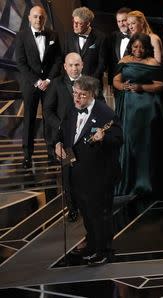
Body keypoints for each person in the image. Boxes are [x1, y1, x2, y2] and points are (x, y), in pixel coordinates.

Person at [55, 76, 123, 266]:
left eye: (82, 95)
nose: (76, 98)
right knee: (87, 213)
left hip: (98, 175)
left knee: (100, 215)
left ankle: (105, 251)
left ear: (92, 95)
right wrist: (58, 144)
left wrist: (104, 139)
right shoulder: (71, 109)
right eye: (75, 93)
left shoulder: (105, 113)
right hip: (75, 172)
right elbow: (62, 134)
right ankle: (93, 246)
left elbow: (119, 140)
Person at [113, 33, 163, 198]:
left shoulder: (153, 63)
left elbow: (161, 85)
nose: (138, 50)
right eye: (135, 46)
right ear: (131, 46)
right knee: (128, 142)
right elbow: (115, 81)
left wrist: (141, 87)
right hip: (127, 108)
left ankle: (145, 184)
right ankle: (127, 182)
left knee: (145, 143)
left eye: (141, 47)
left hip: (147, 110)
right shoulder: (124, 61)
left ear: (147, 48)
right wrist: (123, 86)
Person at [15, 5, 62, 168]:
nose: (38, 19)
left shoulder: (53, 35)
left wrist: (48, 80)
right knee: (29, 119)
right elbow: (20, 62)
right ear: (29, 18)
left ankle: (52, 153)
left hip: (49, 85)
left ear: (45, 18)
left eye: (41, 17)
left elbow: (58, 60)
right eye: (35, 16)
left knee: (50, 118)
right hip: (31, 85)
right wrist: (36, 81)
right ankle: (27, 155)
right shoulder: (21, 36)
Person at [44, 52, 83, 222]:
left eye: (77, 65)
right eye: (71, 65)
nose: (74, 68)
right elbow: (48, 110)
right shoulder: (56, 84)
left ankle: (87, 205)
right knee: (69, 174)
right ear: (65, 66)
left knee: (86, 172)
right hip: (65, 139)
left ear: (82, 65)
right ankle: (72, 208)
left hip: (85, 137)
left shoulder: (90, 82)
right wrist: (60, 126)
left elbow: (100, 105)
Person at [63, 7, 106, 99]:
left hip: (93, 85)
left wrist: (90, 81)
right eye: (74, 21)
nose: (75, 25)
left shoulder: (100, 37)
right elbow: (65, 59)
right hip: (72, 85)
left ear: (88, 23)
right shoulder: (68, 36)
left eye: (79, 23)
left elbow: (102, 64)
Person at [107, 7, 131, 88]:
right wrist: (111, 82)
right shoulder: (113, 36)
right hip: (117, 84)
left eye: (124, 20)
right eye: (119, 21)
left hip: (133, 84)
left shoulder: (139, 37)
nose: (121, 24)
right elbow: (111, 61)